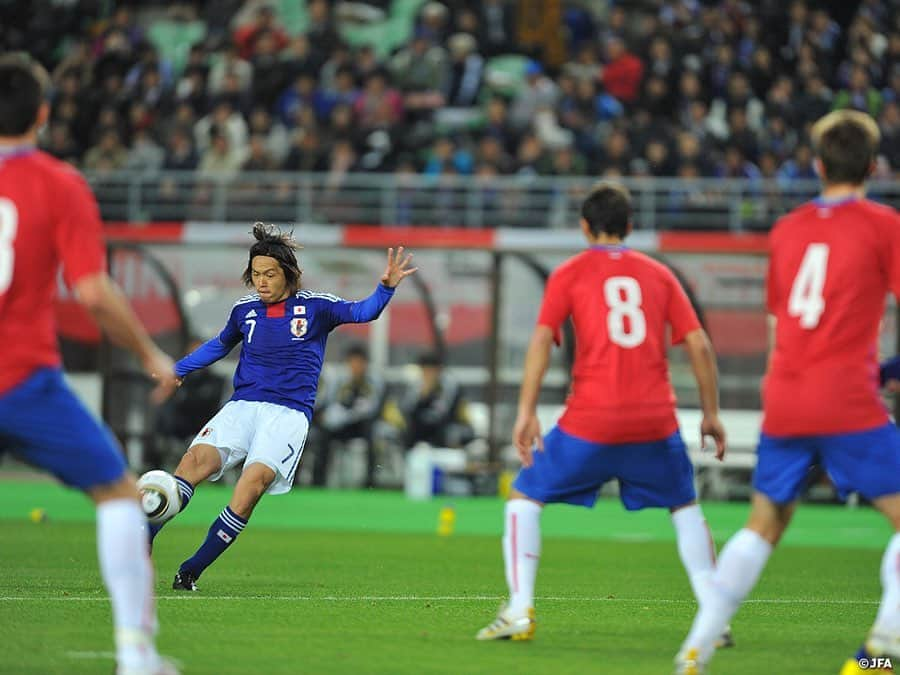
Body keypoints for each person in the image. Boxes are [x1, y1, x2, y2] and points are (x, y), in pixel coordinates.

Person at [674, 110, 900, 675]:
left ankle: (694, 652)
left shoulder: (788, 229)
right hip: (848, 397)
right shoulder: (883, 225)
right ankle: (881, 651)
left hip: (788, 397)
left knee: (764, 525)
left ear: (818, 165)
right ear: (874, 166)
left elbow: (779, 326)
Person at [476, 183, 728, 645]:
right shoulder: (659, 274)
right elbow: (698, 343)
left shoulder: (570, 274)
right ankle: (716, 616)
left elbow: (541, 340)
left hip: (591, 420)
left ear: (584, 227)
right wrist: (710, 414)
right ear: (630, 227)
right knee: (685, 507)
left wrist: (527, 412)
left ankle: (519, 609)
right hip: (655, 421)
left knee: (523, 498)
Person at [0, 54, 180, 675]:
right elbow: (95, 293)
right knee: (118, 495)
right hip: (22, 378)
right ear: (44, 114)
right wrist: (149, 352)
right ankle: (136, 655)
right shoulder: (59, 183)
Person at [146, 224, 416, 590]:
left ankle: (190, 570)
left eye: (269, 274)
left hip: (287, 415)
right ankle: (143, 539)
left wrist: (385, 288)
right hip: (242, 406)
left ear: (289, 274)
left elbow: (363, 311)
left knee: (249, 488)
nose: (261, 281)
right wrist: (178, 370)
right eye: (256, 274)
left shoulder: (317, 307)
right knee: (192, 464)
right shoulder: (245, 312)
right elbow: (220, 344)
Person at [311, 343, 386, 488]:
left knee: (372, 435)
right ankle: (318, 481)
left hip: (361, 425)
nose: (356, 366)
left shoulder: (373, 382)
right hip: (340, 425)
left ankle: (370, 483)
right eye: (353, 362)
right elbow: (326, 404)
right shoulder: (338, 381)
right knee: (323, 436)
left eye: (360, 363)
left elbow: (375, 407)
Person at [401, 351, 475, 450]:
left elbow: (442, 414)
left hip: (451, 425)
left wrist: (427, 397)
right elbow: (407, 411)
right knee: (408, 433)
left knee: (447, 434)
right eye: (424, 371)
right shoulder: (417, 385)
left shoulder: (449, 386)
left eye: (430, 371)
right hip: (425, 428)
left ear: (438, 370)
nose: (427, 374)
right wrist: (422, 397)